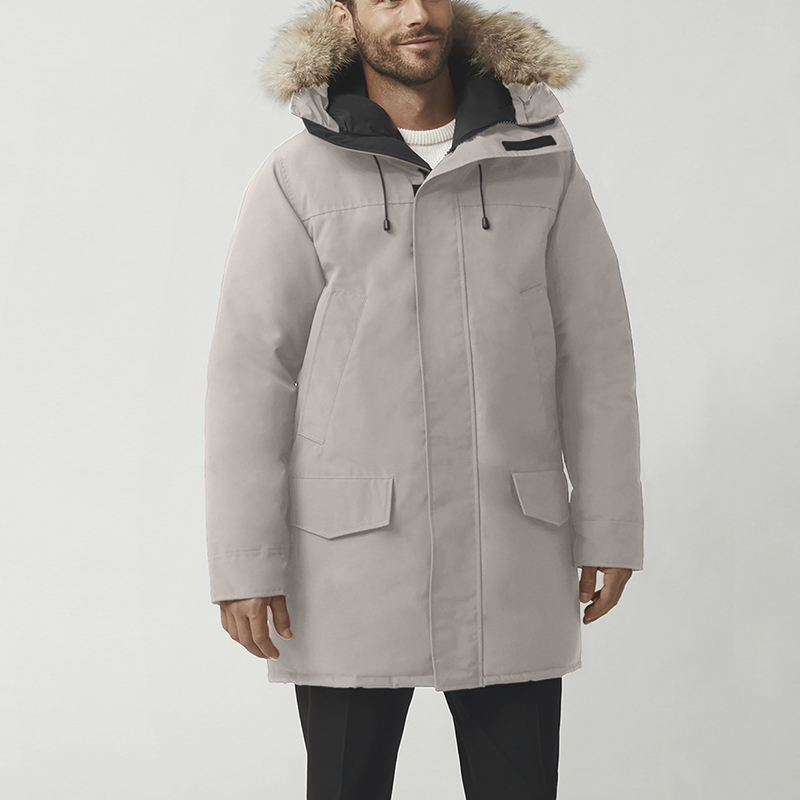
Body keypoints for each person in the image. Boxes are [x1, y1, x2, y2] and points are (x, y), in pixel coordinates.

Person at [204, 1, 645, 797]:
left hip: (510, 549)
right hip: (352, 559)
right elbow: (251, 371)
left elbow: (596, 352)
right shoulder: (299, 175)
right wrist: (244, 561)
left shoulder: (542, 162)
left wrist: (609, 523)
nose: (415, 13)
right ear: (345, 18)